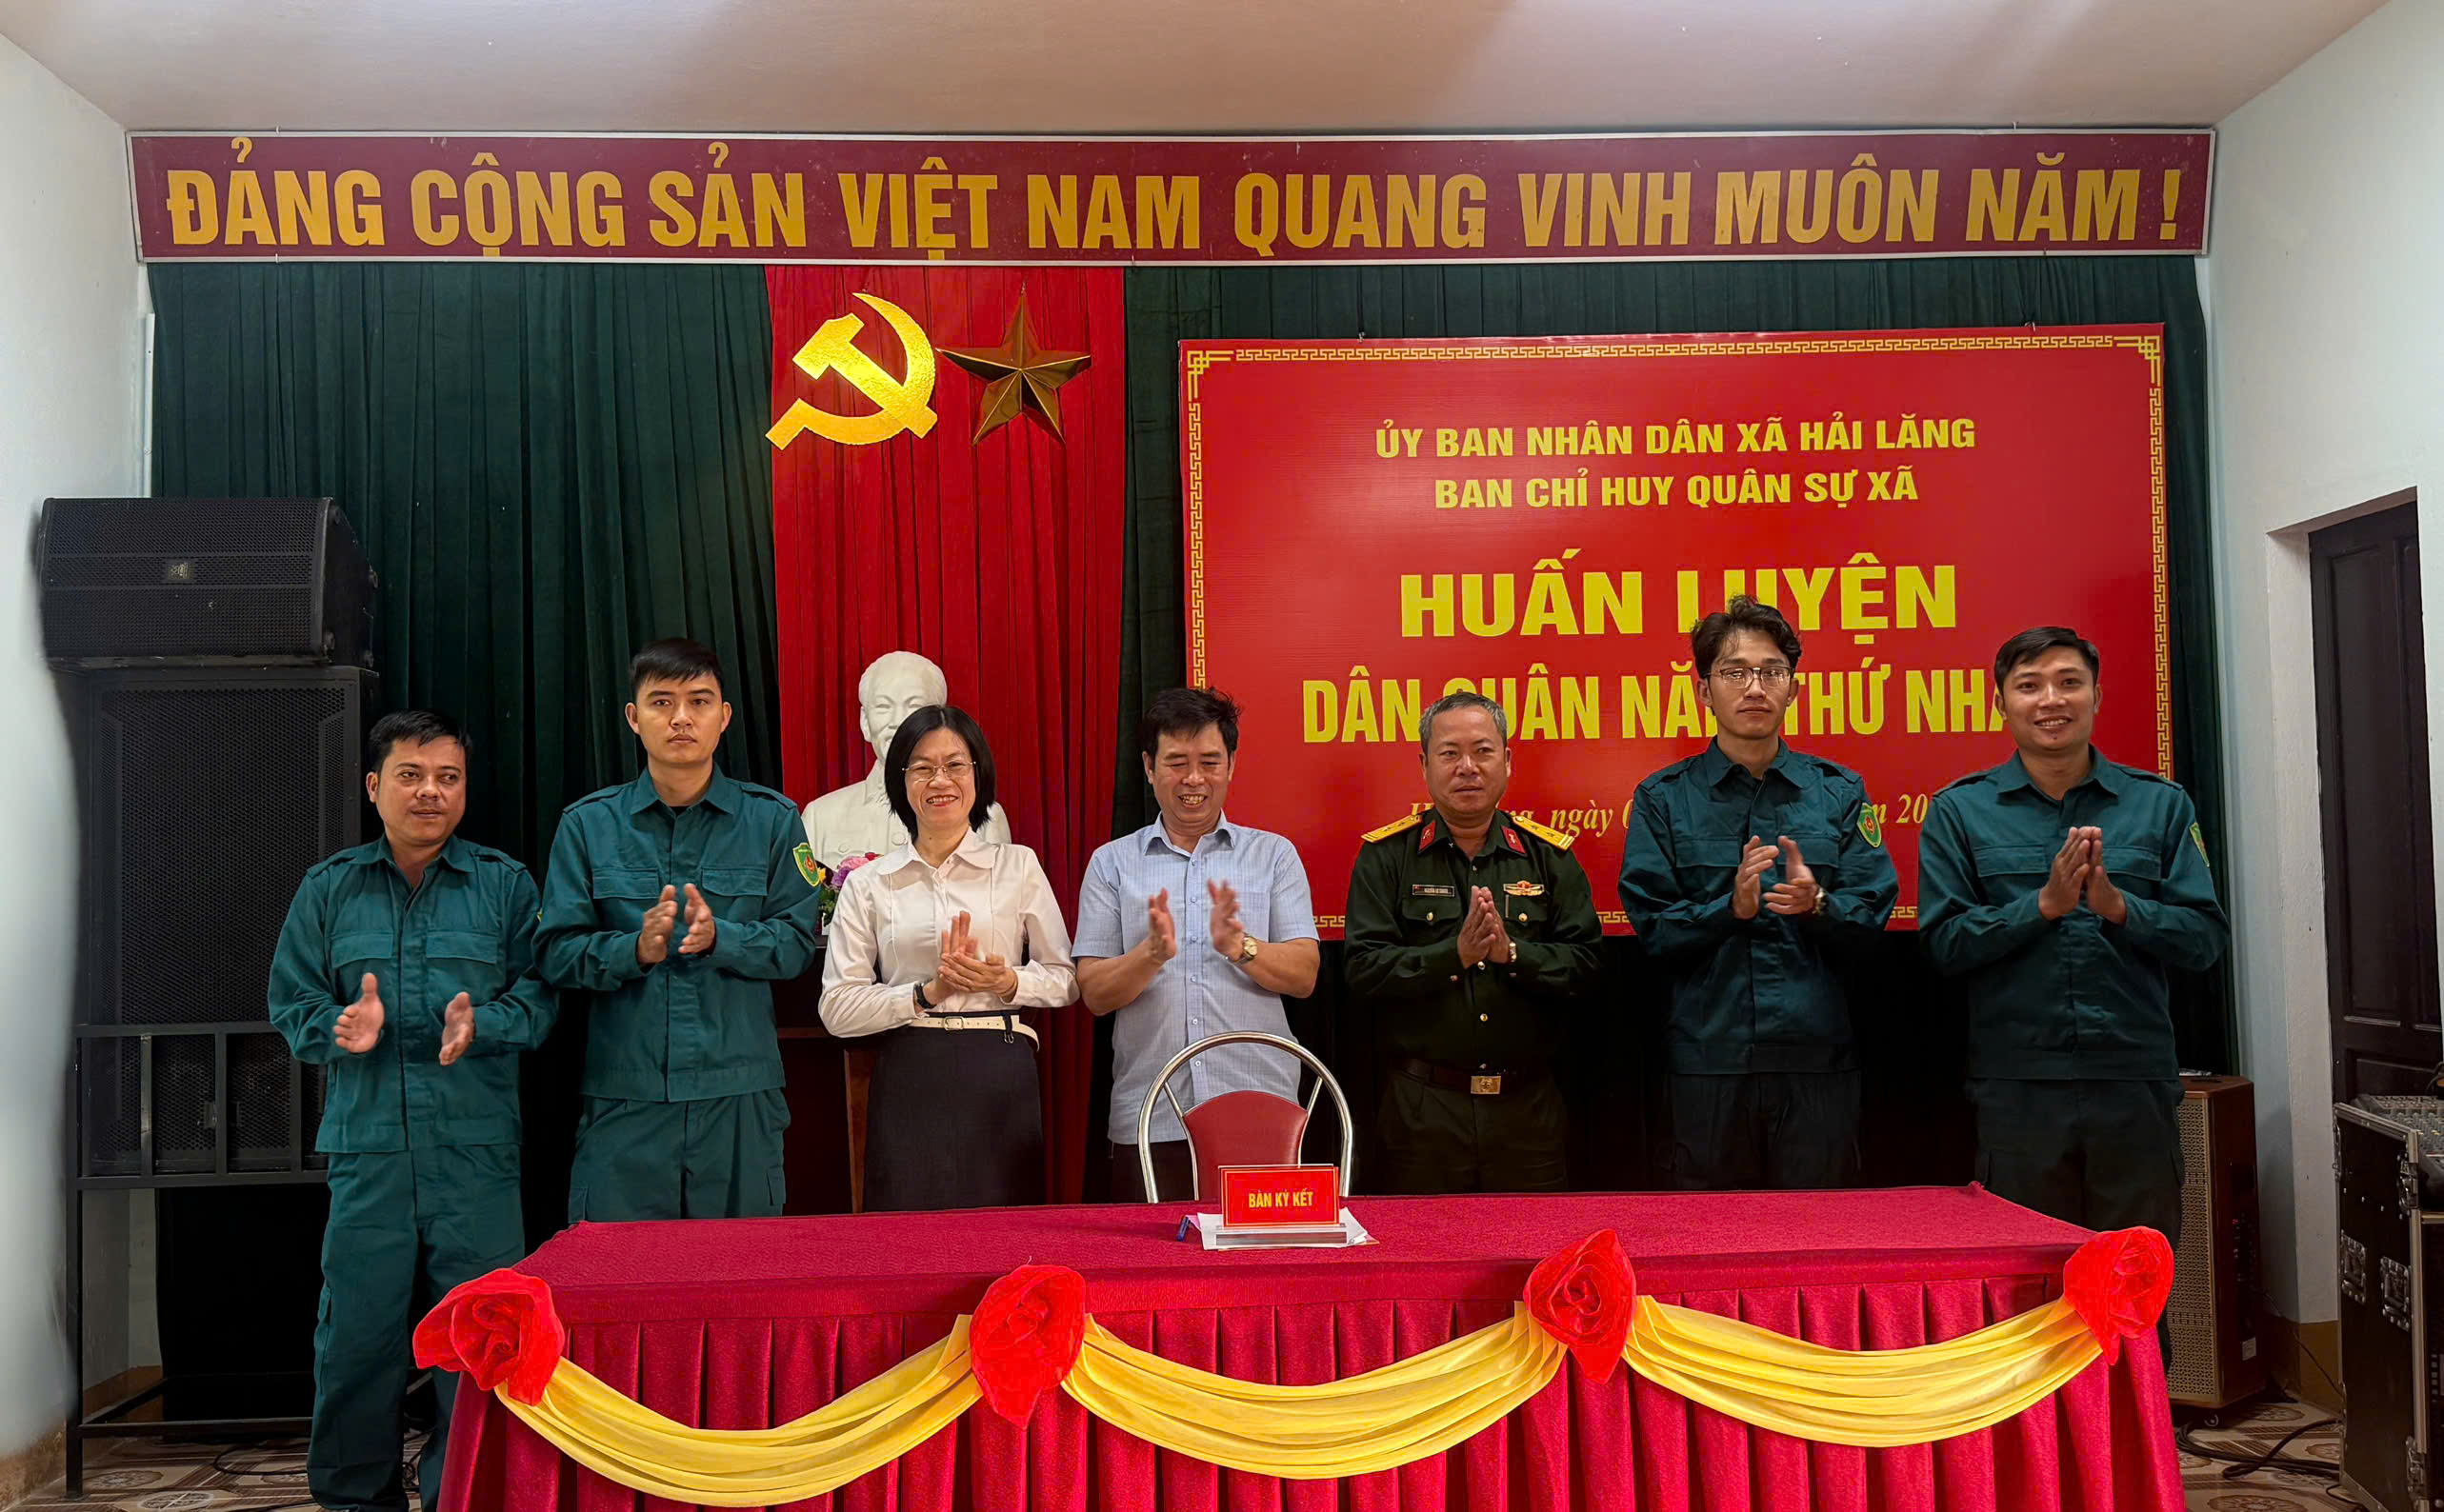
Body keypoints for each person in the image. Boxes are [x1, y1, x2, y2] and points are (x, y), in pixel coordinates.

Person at [268, 710, 552, 1512]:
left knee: (484, 1337)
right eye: (411, 775)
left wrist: (481, 1024)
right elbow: (291, 1001)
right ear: (374, 786)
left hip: (475, 1153)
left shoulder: (504, 884)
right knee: (358, 1336)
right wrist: (340, 1027)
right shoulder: (329, 888)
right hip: (370, 1152)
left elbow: (540, 998)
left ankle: (468, 1490)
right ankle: (355, 1497)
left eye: (448, 778)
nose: (430, 791)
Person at [1918, 627, 2228, 1245]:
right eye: (2029, 686)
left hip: (2132, 1084)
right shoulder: (1960, 811)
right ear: (2000, 703)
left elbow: (2204, 939)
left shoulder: (2160, 805)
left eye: (2069, 683)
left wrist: (2119, 908)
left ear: (2097, 696)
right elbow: (1945, 944)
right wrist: (2042, 907)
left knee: (2134, 1278)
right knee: (2027, 1281)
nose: (2051, 700)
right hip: (2018, 1089)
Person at [1617, 596, 1898, 1189]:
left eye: (1772, 672)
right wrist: (1730, 910)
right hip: (1708, 1066)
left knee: (1819, 1232)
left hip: (1816, 1063)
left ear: (1793, 689)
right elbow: (1654, 927)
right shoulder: (1662, 798)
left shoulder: (1839, 792)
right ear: (1703, 690)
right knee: (1711, 1233)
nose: (1754, 687)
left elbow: (1872, 913)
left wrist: (1819, 905)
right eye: (1735, 672)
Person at [537, 638, 821, 1222]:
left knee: (742, 1267)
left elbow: (797, 944)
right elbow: (555, 952)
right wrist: (633, 950)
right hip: (626, 1096)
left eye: (699, 701)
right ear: (633, 717)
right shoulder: (588, 825)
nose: (681, 718)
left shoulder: (772, 820)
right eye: (662, 702)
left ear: (725, 716)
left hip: (737, 1095)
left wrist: (724, 939)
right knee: (617, 1269)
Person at [818, 705, 1078, 1209]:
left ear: (978, 774)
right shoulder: (870, 883)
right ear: (901, 782)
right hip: (911, 1065)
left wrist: (1007, 982)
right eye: (922, 767)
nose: (940, 780)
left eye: (955, 765)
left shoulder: (1017, 865)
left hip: (998, 1064)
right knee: (908, 1232)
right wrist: (925, 993)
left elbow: (1065, 979)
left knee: (1003, 1233)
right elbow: (837, 1008)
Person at [1343, 690, 1602, 1193]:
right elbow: (1364, 969)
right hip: (1424, 1110)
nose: (1467, 767)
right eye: (1449, 753)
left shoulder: (1548, 856)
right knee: (1421, 1243)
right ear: (1424, 764)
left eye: (1483, 751)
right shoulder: (1387, 856)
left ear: (1507, 760)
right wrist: (1453, 956)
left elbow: (1588, 964)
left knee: (1535, 1240)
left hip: (1527, 1109)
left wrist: (1513, 954)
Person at [1075, 687, 1321, 1201]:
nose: (1194, 779)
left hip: (1260, 1109)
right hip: (1151, 1113)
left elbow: (1304, 975)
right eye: (1176, 763)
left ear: (1231, 766)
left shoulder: (1273, 856)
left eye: (1210, 762)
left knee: (1261, 1253)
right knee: (1151, 1255)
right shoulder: (1111, 863)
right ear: (1149, 767)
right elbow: (1094, 993)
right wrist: (1149, 956)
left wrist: (1242, 947)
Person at [801, 650, 1011, 870]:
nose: (898, 721)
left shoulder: (984, 816)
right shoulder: (820, 818)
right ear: (865, 722)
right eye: (883, 707)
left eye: (913, 706)